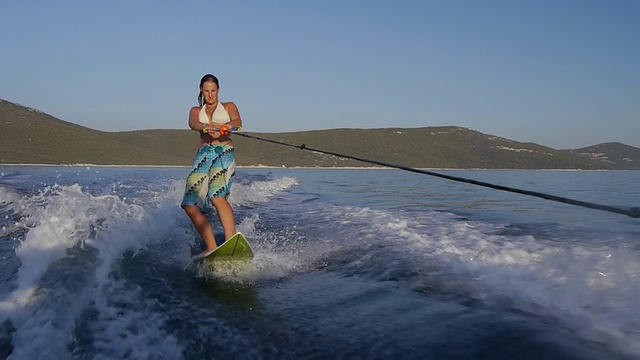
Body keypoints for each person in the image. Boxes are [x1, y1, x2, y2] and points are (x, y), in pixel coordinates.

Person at [181, 74, 243, 258]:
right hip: (203, 156)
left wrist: (226, 126)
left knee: (217, 196)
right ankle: (211, 246)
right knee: (189, 204)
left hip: (223, 152)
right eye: (206, 91)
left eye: (213, 91)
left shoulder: (229, 106)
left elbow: (238, 123)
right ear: (201, 90)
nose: (210, 94)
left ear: (218, 91)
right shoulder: (195, 110)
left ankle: (231, 240)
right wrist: (206, 127)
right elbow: (194, 123)